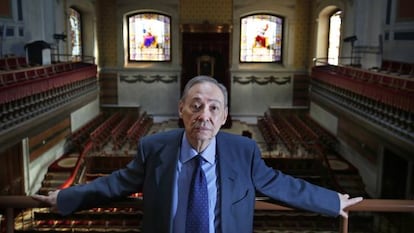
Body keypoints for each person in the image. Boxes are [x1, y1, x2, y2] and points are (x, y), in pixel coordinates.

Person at [33, 75, 363, 233]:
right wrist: (65, 199)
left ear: (223, 116)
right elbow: (116, 184)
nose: (204, 115)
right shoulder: (154, 148)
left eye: (213, 108)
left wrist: (333, 202)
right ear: (181, 110)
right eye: (196, 106)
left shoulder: (244, 151)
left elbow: (280, 184)